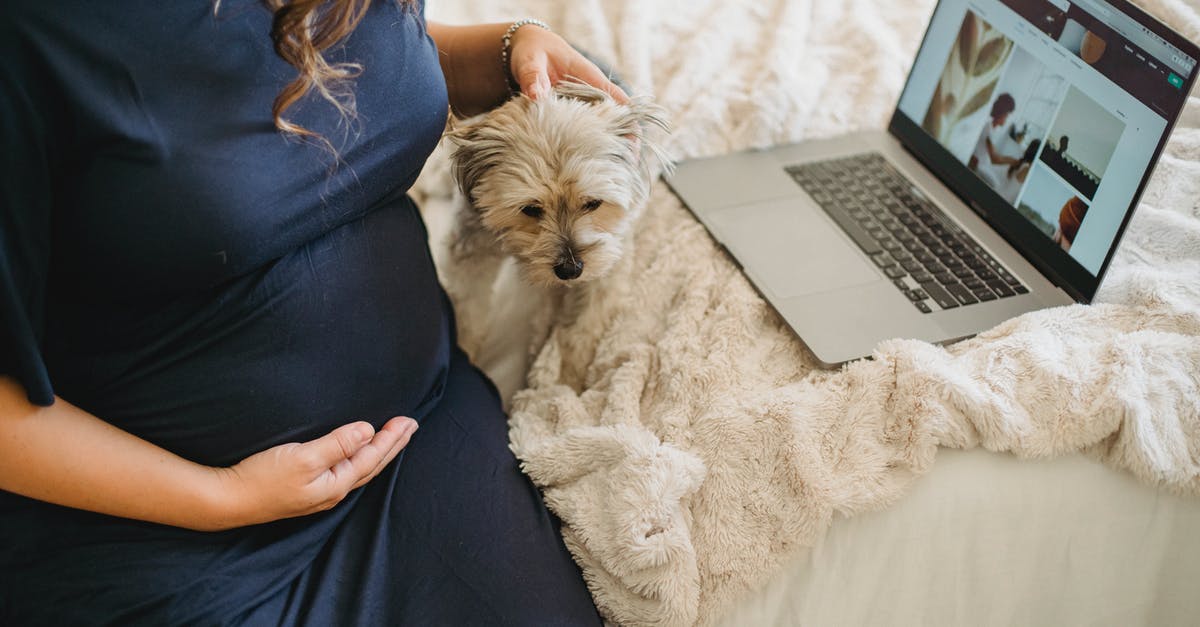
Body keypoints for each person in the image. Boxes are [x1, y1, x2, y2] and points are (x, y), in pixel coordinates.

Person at [0, 1, 627, 623]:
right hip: (162, 529)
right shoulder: (34, 32)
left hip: (420, 428)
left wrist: (509, 46)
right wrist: (223, 498)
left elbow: (361, 66)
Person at [967, 93, 1021, 173]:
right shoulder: (988, 131)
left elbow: (994, 153)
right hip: (973, 166)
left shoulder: (992, 129)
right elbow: (995, 159)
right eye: (1006, 115)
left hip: (978, 164)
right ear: (1001, 113)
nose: (1006, 118)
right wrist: (1013, 161)